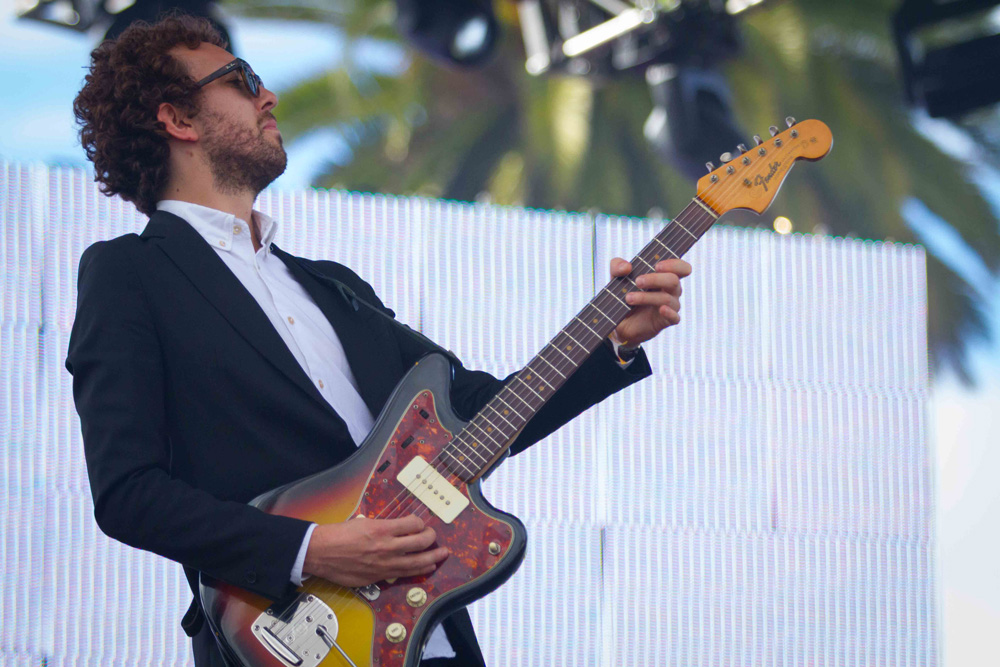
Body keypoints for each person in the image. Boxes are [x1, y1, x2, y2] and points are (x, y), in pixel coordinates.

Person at [67, 15, 691, 667]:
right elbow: (129, 491)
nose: (267, 95)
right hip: (291, 637)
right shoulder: (130, 273)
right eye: (241, 79)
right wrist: (312, 548)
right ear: (177, 119)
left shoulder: (334, 286)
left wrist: (612, 339)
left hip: (431, 636)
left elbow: (475, 412)